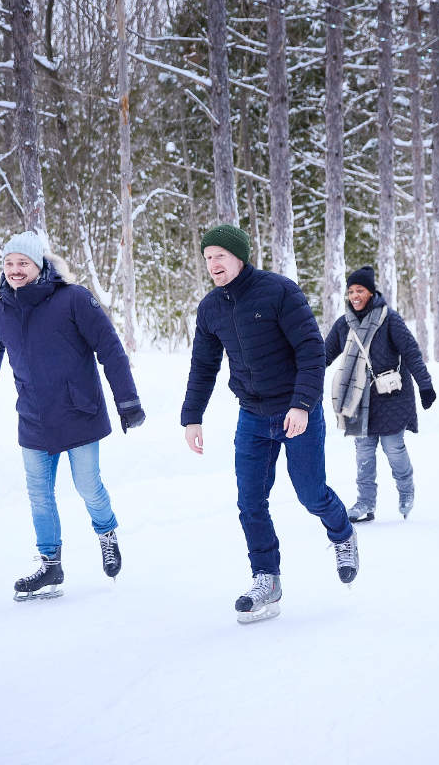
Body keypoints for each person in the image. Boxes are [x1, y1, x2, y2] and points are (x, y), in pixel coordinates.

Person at [181, 223, 358, 624]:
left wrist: (302, 404)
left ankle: (343, 533)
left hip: (296, 411)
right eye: (207, 258)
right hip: (252, 416)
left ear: (239, 257)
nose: (213, 264)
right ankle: (267, 579)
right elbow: (203, 366)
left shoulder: (279, 291)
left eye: (220, 256)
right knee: (250, 502)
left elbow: (311, 351)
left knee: (311, 494)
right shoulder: (210, 308)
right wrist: (192, 416)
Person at [0, 231, 145, 601]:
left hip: (79, 411)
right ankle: (50, 565)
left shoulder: (73, 299)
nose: (15, 270)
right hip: (34, 419)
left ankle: (106, 532)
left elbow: (109, 348)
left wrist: (128, 402)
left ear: (39, 264)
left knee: (87, 485)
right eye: (9, 263)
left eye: (22, 263)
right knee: (39, 495)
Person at [325, 266, 436, 522]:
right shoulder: (344, 324)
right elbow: (324, 355)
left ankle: (406, 491)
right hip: (357, 399)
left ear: (371, 292)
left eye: (360, 290)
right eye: (351, 291)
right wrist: (300, 377)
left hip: (391, 397)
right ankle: (365, 503)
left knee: (393, 448)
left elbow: (411, 352)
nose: (355, 296)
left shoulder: (389, 319)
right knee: (363, 453)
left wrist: (425, 385)